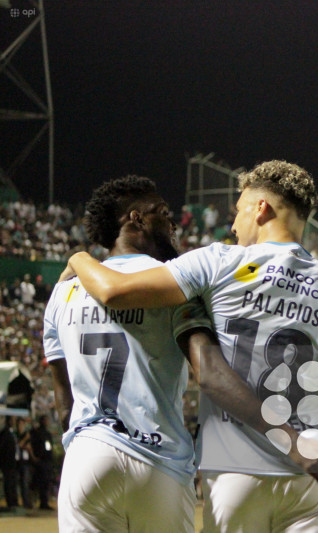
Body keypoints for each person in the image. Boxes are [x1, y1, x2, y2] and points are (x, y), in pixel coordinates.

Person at [67, 161, 318, 533]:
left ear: (261, 209)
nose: (232, 225)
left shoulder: (218, 262)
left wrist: (79, 257)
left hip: (236, 468)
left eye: (238, 210)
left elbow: (113, 291)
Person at [44, 175, 216, 532]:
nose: (172, 223)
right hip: (158, 457)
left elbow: (64, 405)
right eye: (163, 213)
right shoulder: (174, 282)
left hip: (87, 454)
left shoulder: (64, 292)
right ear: (135, 218)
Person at [29, 414, 54, 510]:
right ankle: (41, 502)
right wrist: (35, 457)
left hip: (46, 461)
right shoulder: (37, 432)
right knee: (41, 482)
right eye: (46, 420)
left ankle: (44, 502)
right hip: (42, 461)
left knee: (46, 482)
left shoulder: (45, 433)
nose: (48, 422)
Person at [0, 416, 19, 508]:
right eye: (13, 420)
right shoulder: (5, 433)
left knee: (12, 483)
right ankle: (11, 503)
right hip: (7, 463)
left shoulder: (11, 433)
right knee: (9, 483)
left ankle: (13, 502)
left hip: (12, 463)